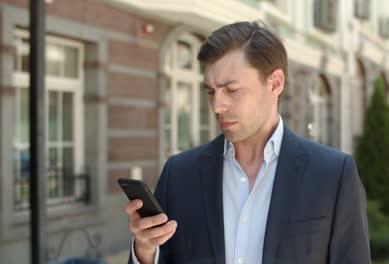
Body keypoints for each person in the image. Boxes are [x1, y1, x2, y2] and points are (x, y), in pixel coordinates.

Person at [125, 20, 371, 264]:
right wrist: (145, 252)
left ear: (275, 83)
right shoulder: (178, 174)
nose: (217, 106)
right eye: (210, 91)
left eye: (231, 90)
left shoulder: (333, 175)